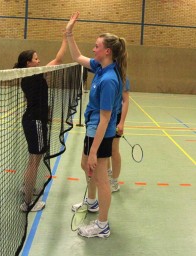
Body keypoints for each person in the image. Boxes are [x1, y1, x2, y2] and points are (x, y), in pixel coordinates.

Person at [65, 12, 127, 238]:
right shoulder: (100, 68)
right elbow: (77, 56)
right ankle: (91, 202)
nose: (93, 49)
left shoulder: (110, 79)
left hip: (99, 131)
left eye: (97, 46)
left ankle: (102, 225)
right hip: (92, 128)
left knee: (101, 178)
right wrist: (69, 33)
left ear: (107, 51)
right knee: (85, 166)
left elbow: (105, 119)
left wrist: (94, 151)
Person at [14, 36, 67, 212]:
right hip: (35, 121)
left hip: (34, 120)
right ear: (29, 63)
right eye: (36, 58)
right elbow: (58, 59)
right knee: (34, 162)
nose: (39, 60)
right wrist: (66, 37)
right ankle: (28, 203)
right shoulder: (34, 74)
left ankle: (25, 187)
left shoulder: (28, 75)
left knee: (33, 160)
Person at [108, 78, 130, 192]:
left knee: (113, 149)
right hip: (103, 114)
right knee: (104, 148)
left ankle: (114, 181)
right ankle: (107, 174)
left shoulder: (123, 77)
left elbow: (126, 100)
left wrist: (121, 122)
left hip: (116, 116)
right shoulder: (101, 70)